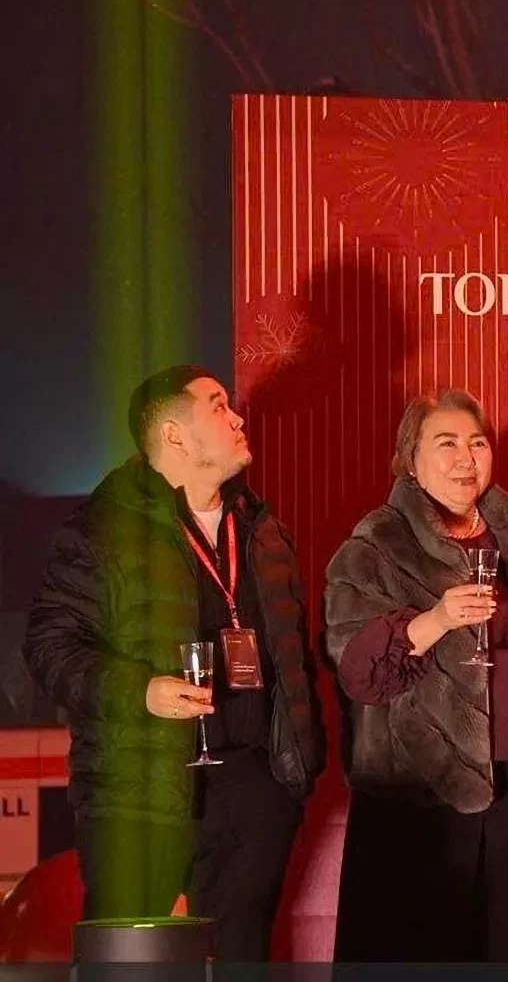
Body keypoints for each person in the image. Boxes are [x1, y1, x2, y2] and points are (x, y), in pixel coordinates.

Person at [24, 365, 324, 959]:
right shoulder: (101, 529)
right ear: (174, 434)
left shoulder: (261, 529)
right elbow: (50, 646)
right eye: (217, 406)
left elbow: (296, 655)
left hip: (254, 787)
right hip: (137, 790)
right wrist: (141, 691)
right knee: (129, 961)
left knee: (241, 957)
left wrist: (293, 772)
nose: (237, 418)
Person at [323, 389, 508, 962]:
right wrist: (435, 620)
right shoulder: (376, 545)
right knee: (419, 951)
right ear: (410, 460)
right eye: (447, 444)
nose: (466, 458)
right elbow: (357, 672)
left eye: (477, 444)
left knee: (501, 949)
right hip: (419, 791)